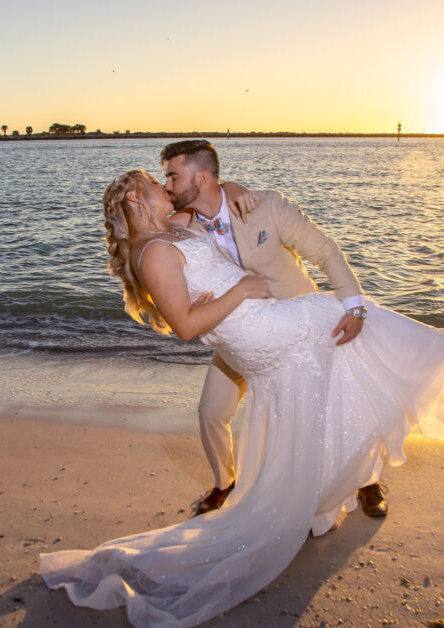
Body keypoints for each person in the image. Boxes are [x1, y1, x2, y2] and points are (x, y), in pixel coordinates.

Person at [39, 169, 444, 628]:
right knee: (343, 317)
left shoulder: (169, 228)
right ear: (136, 200)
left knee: (337, 369)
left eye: (166, 178)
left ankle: (337, 478)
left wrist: (233, 190)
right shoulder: (153, 253)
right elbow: (186, 327)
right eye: (156, 184)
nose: (165, 187)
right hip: (259, 329)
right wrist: (240, 291)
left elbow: (210, 201)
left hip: (259, 323)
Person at [160, 140, 387, 517]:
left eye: (173, 175)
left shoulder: (264, 205)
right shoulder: (183, 223)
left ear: (201, 177)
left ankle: (368, 480)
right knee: (211, 412)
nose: (167, 185)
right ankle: (225, 483)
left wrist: (354, 307)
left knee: (336, 404)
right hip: (241, 334)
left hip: (299, 326)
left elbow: (325, 252)